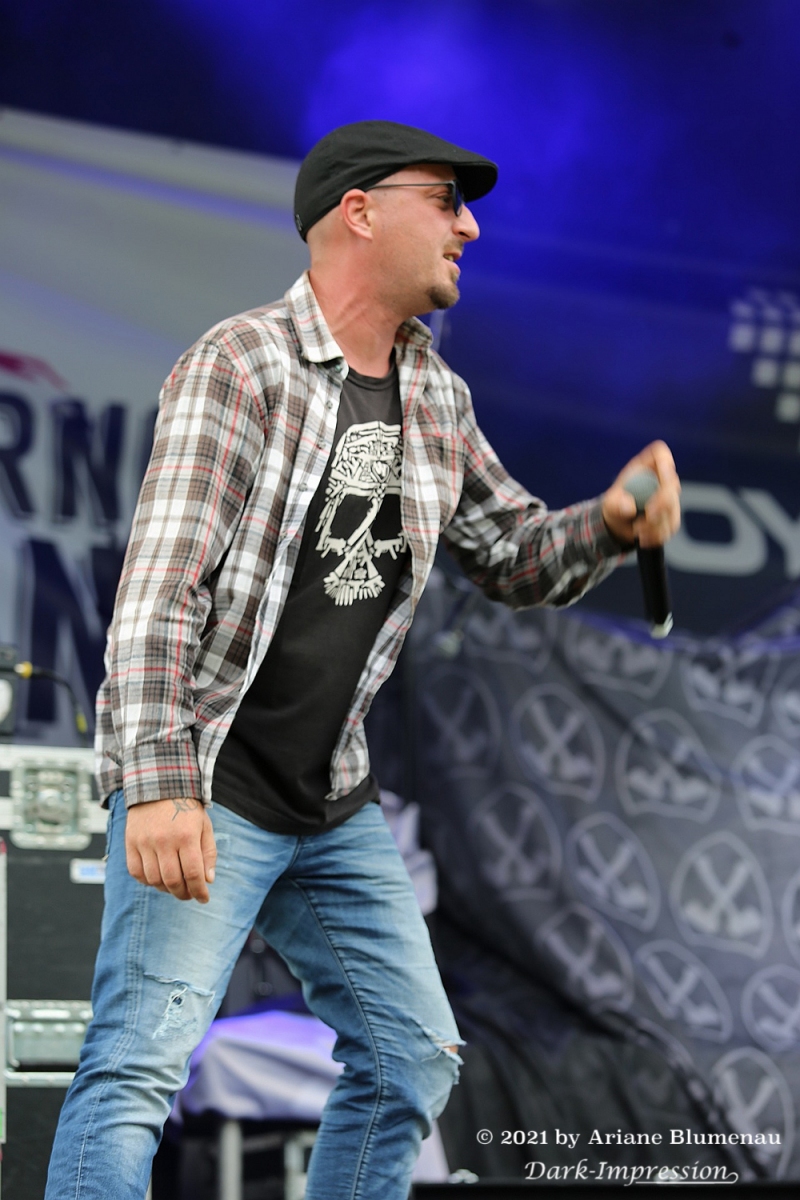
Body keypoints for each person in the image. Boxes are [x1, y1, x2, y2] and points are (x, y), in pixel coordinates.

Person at [45, 120, 681, 1200]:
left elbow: (515, 555)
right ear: (359, 212)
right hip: (211, 779)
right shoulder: (241, 365)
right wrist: (156, 784)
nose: (469, 229)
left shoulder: (435, 396)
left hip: (328, 798)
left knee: (409, 1059)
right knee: (136, 1067)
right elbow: (159, 591)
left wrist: (613, 524)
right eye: (445, 202)